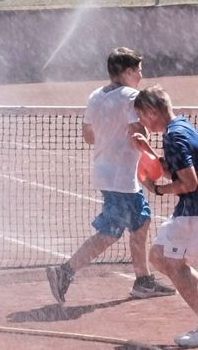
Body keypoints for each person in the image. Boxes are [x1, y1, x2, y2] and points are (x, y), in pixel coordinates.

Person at [46, 48, 174, 305]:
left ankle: (143, 281)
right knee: (111, 232)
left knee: (140, 223)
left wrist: (110, 133)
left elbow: (89, 136)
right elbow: (138, 131)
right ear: (127, 72)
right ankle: (65, 272)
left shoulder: (95, 96)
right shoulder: (131, 96)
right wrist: (151, 155)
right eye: (138, 69)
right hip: (121, 177)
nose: (140, 74)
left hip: (108, 172)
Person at [133, 86, 198, 348]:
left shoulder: (174, 137)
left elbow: (188, 183)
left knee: (175, 265)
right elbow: (178, 171)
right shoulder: (180, 126)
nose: (142, 122)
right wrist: (147, 149)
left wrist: (157, 190)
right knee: (158, 256)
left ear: (152, 111)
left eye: (142, 116)